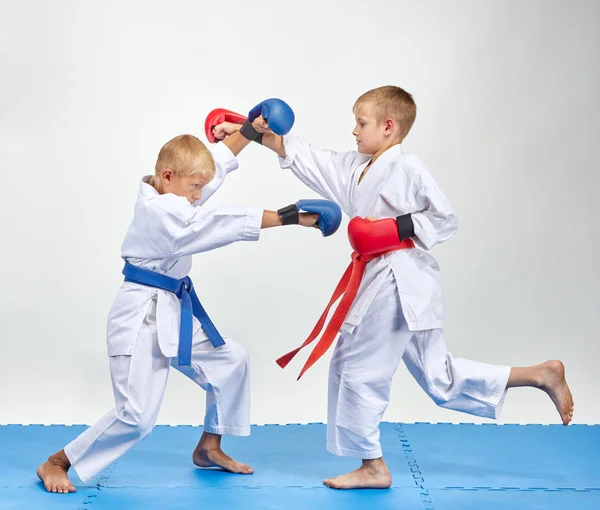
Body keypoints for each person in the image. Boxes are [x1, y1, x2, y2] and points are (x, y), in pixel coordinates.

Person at [214, 86, 574, 490]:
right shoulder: (358, 166)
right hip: (401, 283)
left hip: (396, 280)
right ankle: (540, 374)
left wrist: (393, 229)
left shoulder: (409, 167)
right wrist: (245, 129)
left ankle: (373, 466)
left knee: (355, 366)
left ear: (388, 127)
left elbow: (444, 217)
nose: (353, 131)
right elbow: (310, 158)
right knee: (440, 377)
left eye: (361, 123)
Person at [37, 100, 341, 494]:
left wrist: (249, 130)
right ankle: (56, 462)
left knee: (231, 360)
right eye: (194, 187)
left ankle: (209, 447)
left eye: (199, 187)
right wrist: (289, 216)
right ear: (168, 176)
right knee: (136, 418)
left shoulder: (177, 189)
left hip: (172, 311)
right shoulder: (164, 212)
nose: (199, 194)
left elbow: (212, 169)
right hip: (139, 319)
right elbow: (216, 223)